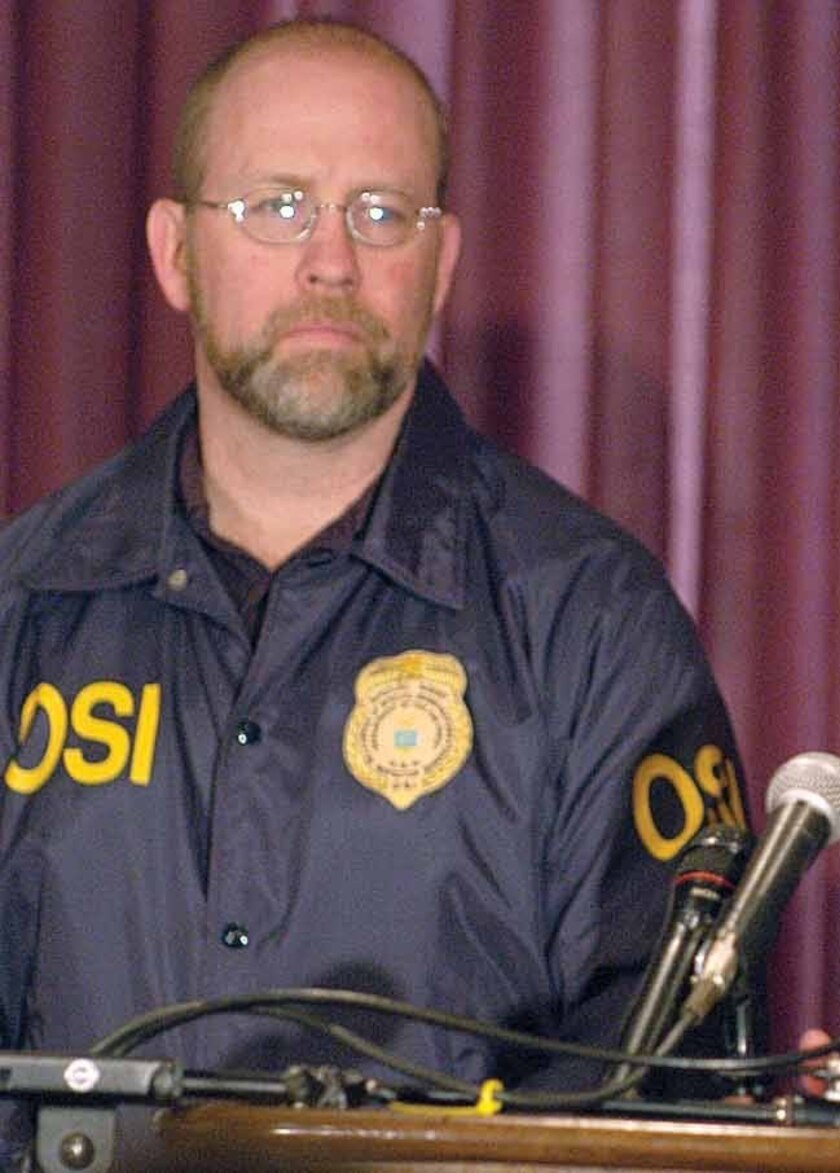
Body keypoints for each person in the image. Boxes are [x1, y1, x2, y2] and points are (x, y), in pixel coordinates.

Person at [0, 16, 745, 1125]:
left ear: (440, 264)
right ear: (173, 253)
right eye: (276, 204)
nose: (331, 259)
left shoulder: (593, 623)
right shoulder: (25, 603)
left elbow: (669, 1082)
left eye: (382, 213)